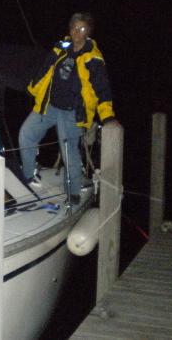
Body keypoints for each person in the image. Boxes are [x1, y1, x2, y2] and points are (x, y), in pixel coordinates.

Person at [18, 12, 116, 202]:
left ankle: (73, 192)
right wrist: (33, 88)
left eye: (82, 29)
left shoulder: (93, 58)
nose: (77, 32)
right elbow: (44, 71)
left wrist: (108, 116)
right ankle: (29, 175)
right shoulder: (60, 48)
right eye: (74, 28)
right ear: (70, 29)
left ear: (88, 32)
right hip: (49, 105)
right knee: (26, 133)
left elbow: (102, 89)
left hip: (72, 112)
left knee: (69, 150)